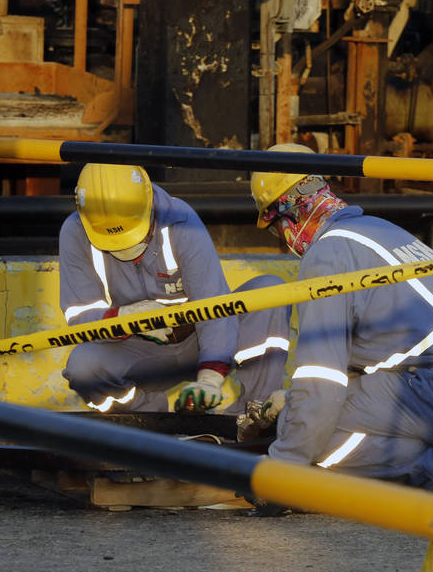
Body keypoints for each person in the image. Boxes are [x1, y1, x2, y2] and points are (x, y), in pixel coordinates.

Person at [247, 143, 433, 493]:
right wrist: (292, 394)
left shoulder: (326, 258)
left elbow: (321, 387)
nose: (282, 239)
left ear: (288, 213)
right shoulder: (378, 229)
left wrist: (280, 468)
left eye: (274, 227)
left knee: (310, 432)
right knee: (309, 412)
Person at [59, 162, 290, 414]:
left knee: (270, 293)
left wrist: (210, 379)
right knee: (82, 367)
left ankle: (254, 413)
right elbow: (79, 316)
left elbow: (214, 305)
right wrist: (123, 318)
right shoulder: (75, 231)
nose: (127, 249)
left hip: (197, 340)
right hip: (138, 351)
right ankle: (145, 418)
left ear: (149, 202)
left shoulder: (180, 219)